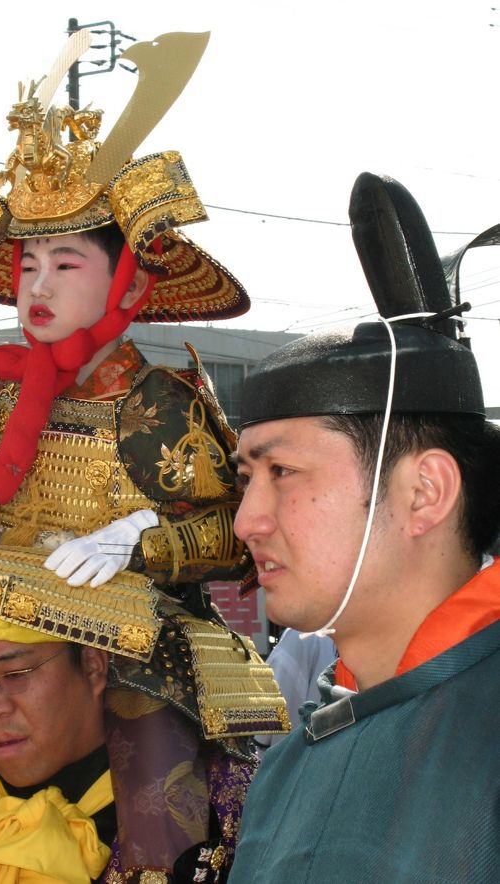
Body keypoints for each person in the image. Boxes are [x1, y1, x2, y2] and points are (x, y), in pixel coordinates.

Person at [0, 29, 287, 884]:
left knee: (161, 814)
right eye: (25, 265)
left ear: (125, 284)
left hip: (138, 653)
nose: (37, 288)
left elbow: (237, 540)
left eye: (64, 262)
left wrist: (140, 541)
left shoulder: (160, 401)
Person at [227, 172, 500, 882]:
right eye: (244, 478)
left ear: (424, 492)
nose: (247, 520)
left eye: (282, 473)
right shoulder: (288, 762)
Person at [254, 629, 335, 750]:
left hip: (291, 752)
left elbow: (277, 691)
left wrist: (259, 740)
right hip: (332, 747)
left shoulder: (304, 632)